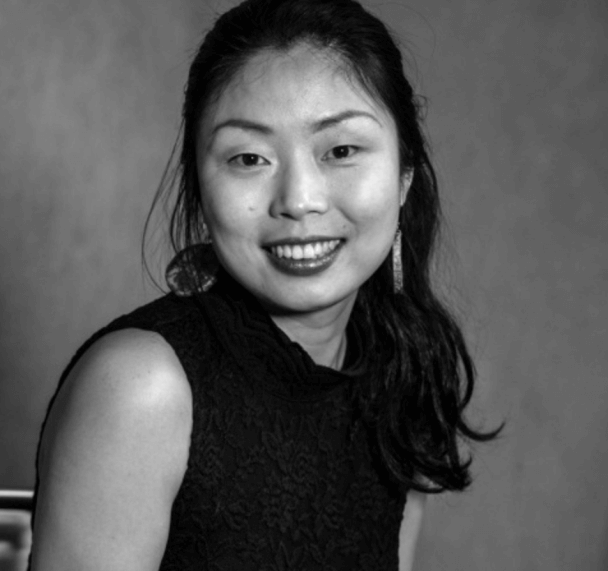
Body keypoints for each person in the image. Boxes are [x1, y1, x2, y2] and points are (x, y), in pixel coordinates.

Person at [28, 0, 500, 569]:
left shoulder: (398, 383)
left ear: (404, 176)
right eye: (249, 158)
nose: (299, 200)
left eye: (342, 150)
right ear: (200, 192)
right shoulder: (142, 387)